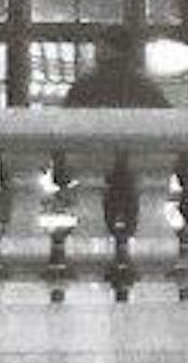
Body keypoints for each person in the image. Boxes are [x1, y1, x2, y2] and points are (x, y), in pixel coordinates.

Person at [61, 24, 171, 249]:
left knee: (94, 227)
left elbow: (66, 128)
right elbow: (168, 127)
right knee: (137, 227)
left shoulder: (85, 86)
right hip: (136, 168)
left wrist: (61, 172)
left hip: (94, 165)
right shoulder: (145, 87)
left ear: (104, 48)